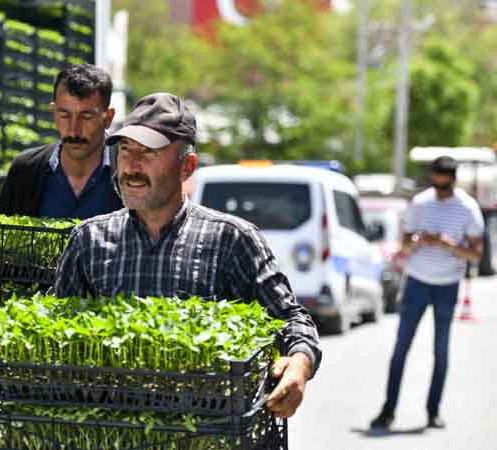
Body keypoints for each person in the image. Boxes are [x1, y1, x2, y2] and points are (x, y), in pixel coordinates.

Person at [54, 93, 321, 419]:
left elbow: (291, 321)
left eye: (148, 153)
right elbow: (56, 335)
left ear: (187, 166)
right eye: (125, 150)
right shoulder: (89, 240)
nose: (131, 166)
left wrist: (299, 365)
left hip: (206, 431)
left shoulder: (232, 240)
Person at [370, 156, 483, 430]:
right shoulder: (420, 204)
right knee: (401, 348)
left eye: (445, 186)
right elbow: (404, 246)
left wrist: (447, 245)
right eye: (436, 183)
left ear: (454, 181)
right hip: (417, 282)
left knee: (441, 349)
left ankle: (433, 411)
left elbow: (475, 255)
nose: (440, 189)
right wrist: (418, 242)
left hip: (447, 285)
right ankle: (388, 409)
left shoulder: (467, 208)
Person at [0, 63, 123, 219]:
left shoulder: (127, 170)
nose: (74, 130)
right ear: (53, 112)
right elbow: (1, 239)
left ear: (108, 118)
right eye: (64, 115)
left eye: (86, 117)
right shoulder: (25, 170)